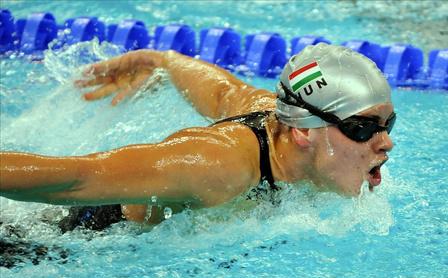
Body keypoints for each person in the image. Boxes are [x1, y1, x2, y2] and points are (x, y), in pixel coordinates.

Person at [0, 43, 395, 226]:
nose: (385, 142)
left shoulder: (274, 118)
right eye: (361, 129)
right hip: (68, 241)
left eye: (387, 124)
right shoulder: (216, 165)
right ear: (302, 132)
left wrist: (162, 61)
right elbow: (75, 178)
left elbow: (226, 92)